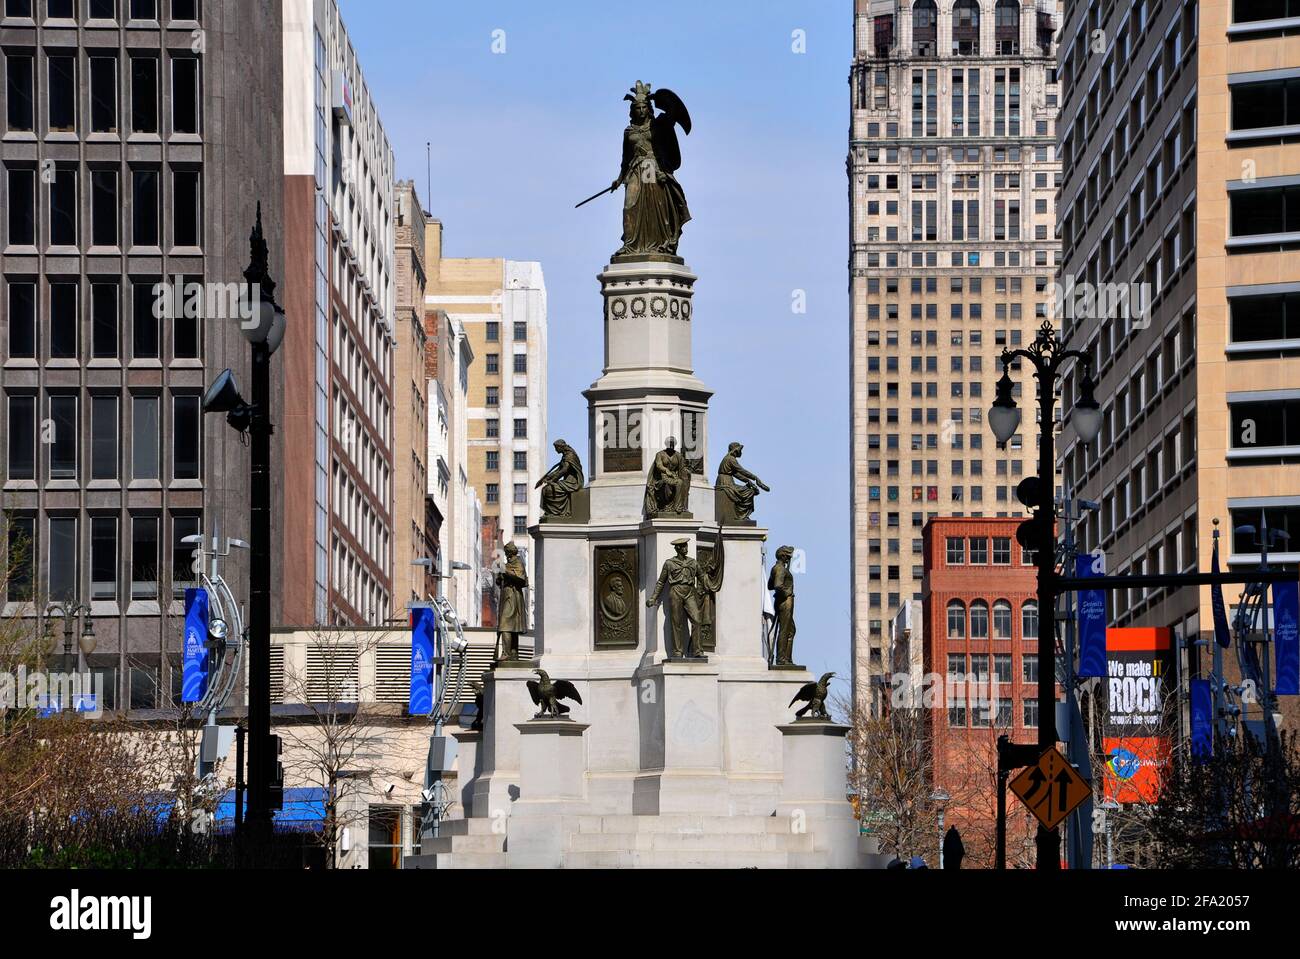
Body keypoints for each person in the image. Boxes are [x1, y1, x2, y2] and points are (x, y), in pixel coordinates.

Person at [496, 543, 528, 662]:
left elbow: (521, 578)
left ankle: (507, 653)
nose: (506, 554)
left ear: (510, 552)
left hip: (513, 596)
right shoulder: (508, 564)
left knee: (506, 624)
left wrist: (505, 571)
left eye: (506, 552)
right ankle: (513, 653)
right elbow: (499, 582)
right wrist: (500, 576)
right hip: (506, 594)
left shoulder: (518, 563)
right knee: (512, 625)